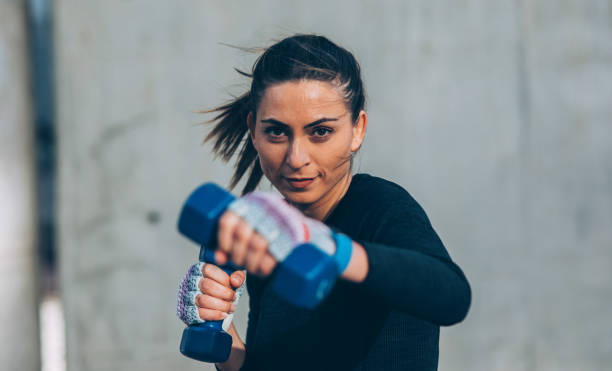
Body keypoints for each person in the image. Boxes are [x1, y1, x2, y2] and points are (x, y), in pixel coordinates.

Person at [177, 34, 471, 371]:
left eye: (320, 132)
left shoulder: (380, 207)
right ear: (253, 131)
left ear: (357, 130)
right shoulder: (272, 235)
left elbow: (452, 297)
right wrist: (221, 327)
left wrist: (334, 251)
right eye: (276, 132)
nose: (296, 157)